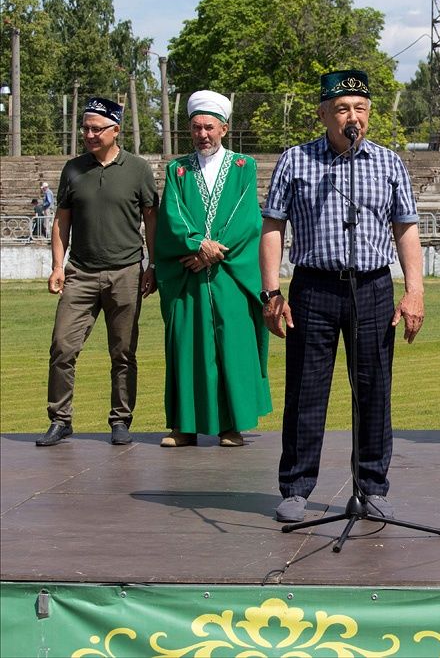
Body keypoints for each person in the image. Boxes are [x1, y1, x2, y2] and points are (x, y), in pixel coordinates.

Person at [261, 69, 424, 523]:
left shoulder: (389, 163)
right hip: (312, 287)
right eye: (342, 109)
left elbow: (406, 229)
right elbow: (273, 228)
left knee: (374, 391)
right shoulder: (296, 161)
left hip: (371, 288)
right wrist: (271, 292)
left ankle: (372, 487)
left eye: (360, 109)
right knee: (306, 391)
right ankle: (296, 487)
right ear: (324, 114)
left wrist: (414, 292)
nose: (353, 117)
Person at [36, 97, 158, 447]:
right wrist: (58, 265)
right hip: (80, 272)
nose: (89, 134)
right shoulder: (73, 169)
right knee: (62, 346)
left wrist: (153, 264)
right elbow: (62, 220)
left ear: (115, 130)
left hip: (126, 273)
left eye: (96, 128)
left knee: (123, 352)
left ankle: (121, 420)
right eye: (85, 128)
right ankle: (60, 419)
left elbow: (152, 219)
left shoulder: (138, 169)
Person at [155, 90, 272, 448]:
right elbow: (171, 215)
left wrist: (210, 251)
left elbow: (246, 218)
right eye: (195, 128)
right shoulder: (177, 170)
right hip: (188, 275)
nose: (202, 134)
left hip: (229, 275)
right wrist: (195, 244)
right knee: (188, 348)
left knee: (231, 349)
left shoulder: (243, 166)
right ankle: (184, 427)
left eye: (209, 127)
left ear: (224, 128)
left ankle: (230, 426)